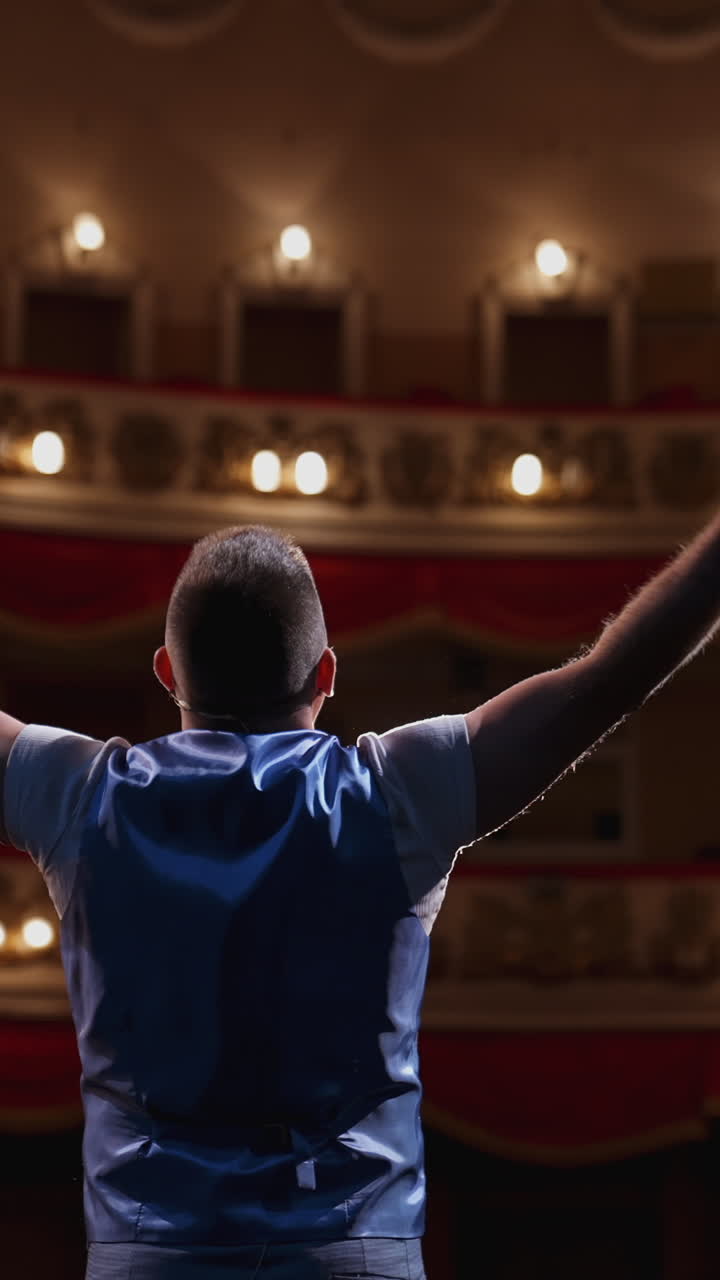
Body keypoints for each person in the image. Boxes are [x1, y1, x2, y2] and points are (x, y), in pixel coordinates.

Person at [1, 518, 719, 1280]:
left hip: (147, 1256)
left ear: (167, 672)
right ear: (327, 673)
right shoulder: (398, 795)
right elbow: (610, 677)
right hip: (354, 1252)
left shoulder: (78, 798)